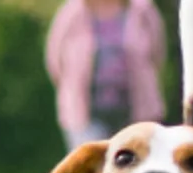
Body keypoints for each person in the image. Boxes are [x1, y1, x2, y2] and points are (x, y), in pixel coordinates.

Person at [44, 0, 166, 146]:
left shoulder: (142, 9)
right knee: (93, 164)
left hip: (136, 112)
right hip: (87, 113)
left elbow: (157, 54)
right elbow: (55, 61)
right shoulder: (72, 11)